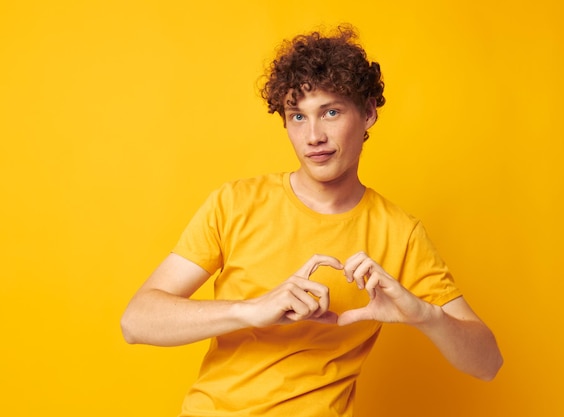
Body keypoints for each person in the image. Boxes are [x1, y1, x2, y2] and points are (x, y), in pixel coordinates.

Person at [121, 25, 503, 417]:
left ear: (369, 113)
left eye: (331, 112)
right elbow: (137, 321)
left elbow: (487, 362)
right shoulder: (235, 203)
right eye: (297, 116)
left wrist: (425, 315)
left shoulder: (400, 233)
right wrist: (250, 310)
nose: (313, 136)